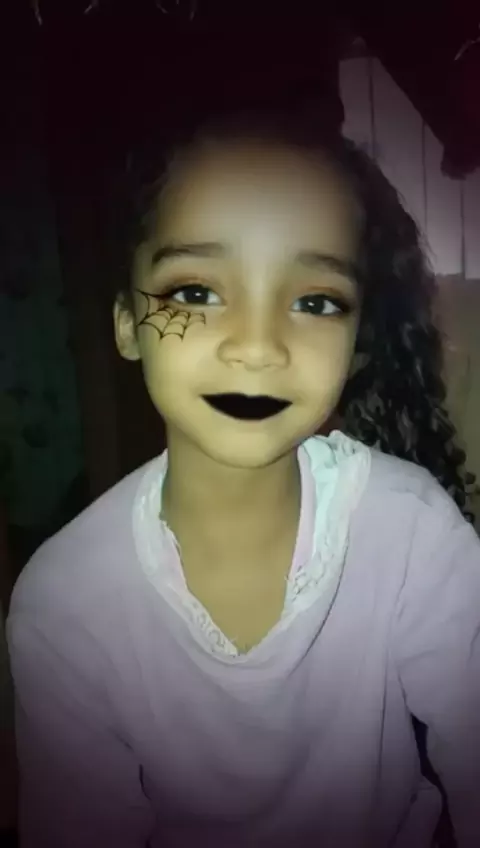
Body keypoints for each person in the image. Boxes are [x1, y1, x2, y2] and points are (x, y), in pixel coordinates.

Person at [7, 105, 480, 848]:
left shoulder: (414, 536)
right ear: (127, 323)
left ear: (357, 342)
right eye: (196, 292)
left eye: (315, 302)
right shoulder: (65, 601)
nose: (257, 348)